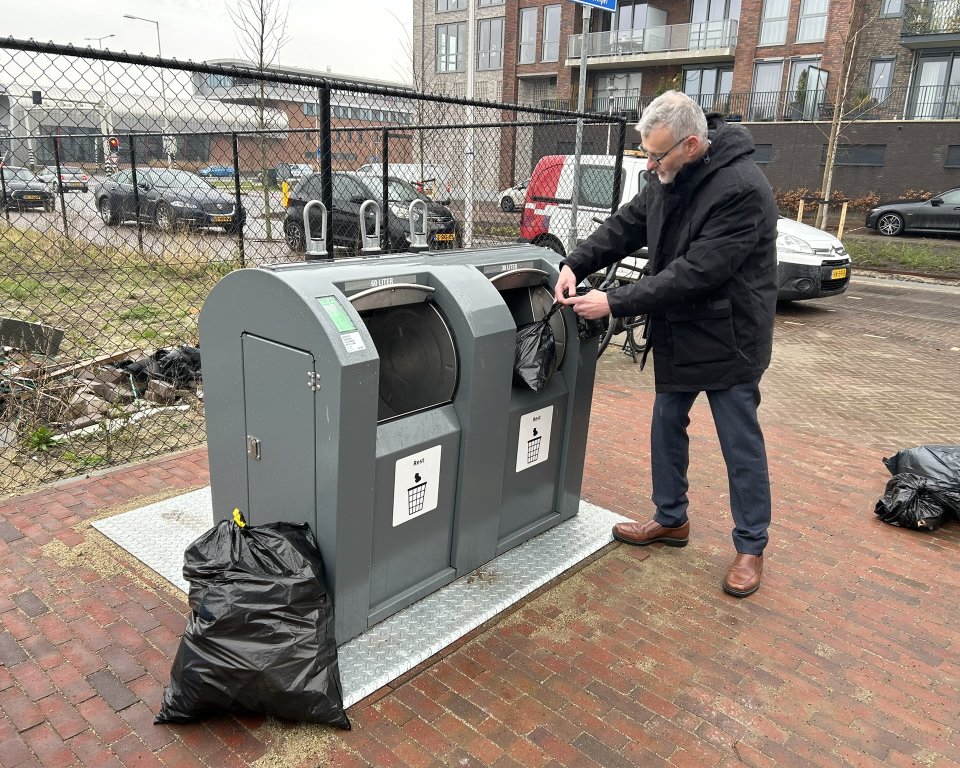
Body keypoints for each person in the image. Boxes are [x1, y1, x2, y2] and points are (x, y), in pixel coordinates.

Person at [554, 91, 779, 597]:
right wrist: (575, 262)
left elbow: (697, 273)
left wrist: (614, 302)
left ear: (692, 144)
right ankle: (671, 518)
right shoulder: (666, 175)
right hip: (681, 328)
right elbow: (627, 224)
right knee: (665, 422)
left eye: (657, 156)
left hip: (730, 334)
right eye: (647, 154)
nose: (650, 165)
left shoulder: (741, 188)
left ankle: (750, 545)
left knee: (738, 441)